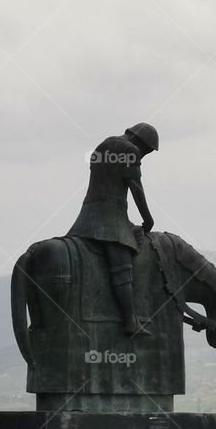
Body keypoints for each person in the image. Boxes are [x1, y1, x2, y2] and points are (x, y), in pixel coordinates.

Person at [67, 122, 159, 336]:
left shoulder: (103, 145)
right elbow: (136, 187)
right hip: (109, 217)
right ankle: (130, 321)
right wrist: (148, 218)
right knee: (122, 264)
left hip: (87, 214)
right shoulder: (130, 150)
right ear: (142, 142)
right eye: (147, 152)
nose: (144, 156)